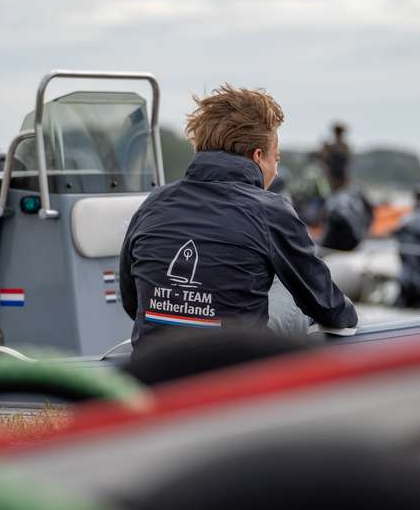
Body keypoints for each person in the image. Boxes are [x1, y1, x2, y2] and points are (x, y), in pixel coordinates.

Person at [119, 84, 357, 348]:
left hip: (153, 363)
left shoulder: (153, 203)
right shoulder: (271, 211)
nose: (276, 172)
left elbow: (132, 301)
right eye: (276, 160)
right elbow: (327, 306)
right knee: (288, 288)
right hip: (233, 363)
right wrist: (352, 319)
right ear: (258, 157)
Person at [316, 122, 352, 192]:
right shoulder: (342, 146)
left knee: (339, 191)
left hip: (338, 173)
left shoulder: (341, 146)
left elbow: (347, 161)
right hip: (334, 173)